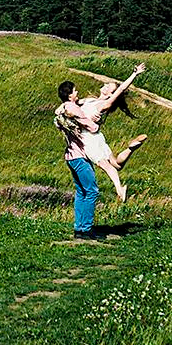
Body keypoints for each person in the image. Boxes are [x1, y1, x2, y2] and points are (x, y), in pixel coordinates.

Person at [75, 64, 149, 202]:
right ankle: (130, 148)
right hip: (97, 137)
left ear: (110, 94)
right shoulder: (91, 100)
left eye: (108, 86)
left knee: (105, 165)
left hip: (88, 139)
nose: (105, 84)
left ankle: (119, 189)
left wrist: (134, 74)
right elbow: (73, 104)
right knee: (116, 164)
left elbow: (121, 89)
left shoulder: (104, 104)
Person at [54, 80, 101, 239]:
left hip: (70, 156)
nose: (77, 93)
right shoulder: (73, 109)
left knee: (81, 191)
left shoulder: (61, 110)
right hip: (80, 155)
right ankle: (86, 228)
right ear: (70, 95)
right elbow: (91, 126)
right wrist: (97, 123)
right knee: (92, 191)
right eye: (75, 91)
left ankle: (78, 228)